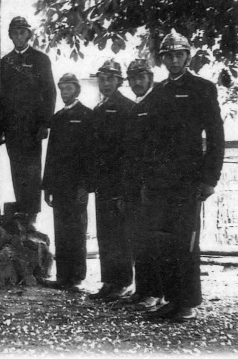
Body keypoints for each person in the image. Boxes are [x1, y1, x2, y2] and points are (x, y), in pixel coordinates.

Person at [144, 29, 224, 321]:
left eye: (180, 54)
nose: (175, 60)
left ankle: (187, 302)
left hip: (189, 179)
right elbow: (150, 137)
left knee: (186, 240)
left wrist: (210, 179)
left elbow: (216, 136)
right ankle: (171, 298)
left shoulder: (203, 88)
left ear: (188, 57)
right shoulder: (159, 91)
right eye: (169, 55)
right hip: (161, 180)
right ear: (163, 59)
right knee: (164, 239)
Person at [0, 16, 56, 229]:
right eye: (15, 33)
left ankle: (32, 213)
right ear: (10, 35)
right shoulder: (5, 62)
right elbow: (1, 97)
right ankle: (22, 208)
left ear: (29, 35)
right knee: (16, 168)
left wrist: (45, 123)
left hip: (33, 126)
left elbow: (50, 91)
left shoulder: (40, 59)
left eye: (22, 32)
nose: (19, 37)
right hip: (13, 125)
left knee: (32, 169)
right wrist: (0, 128)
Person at [89, 59, 135, 301]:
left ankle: (122, 282)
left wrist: (124, 186)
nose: (105, 84)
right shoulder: (98, 109)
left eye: (110, 79)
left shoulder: (127, 108)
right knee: (105, 232)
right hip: (102, 182)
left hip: (118, 181)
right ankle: (109, 281)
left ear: (119, 81)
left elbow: (127, 152)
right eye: (102, 79)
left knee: (119, 233)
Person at [42, 73, 93, 291]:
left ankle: (77, 276)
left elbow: (90, 154)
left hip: (77, 184)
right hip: (60, 185)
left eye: (68, 88)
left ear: (77, 90)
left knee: (77, 229)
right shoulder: (58, 117)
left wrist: (86, 185)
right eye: (61, 88)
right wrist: (47, 187)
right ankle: (63, 275)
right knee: (61, 229)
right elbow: (51, 154)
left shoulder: (87, 115)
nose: (64, 92)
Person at [120, 59, 165, 310]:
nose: (136, 82)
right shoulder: (135, 106)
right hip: (134, 183)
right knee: (138, 238)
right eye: (132, 78)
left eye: (141, 77)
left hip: (153, 183)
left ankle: (155, 293)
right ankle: (142, 289)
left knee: (152, 239)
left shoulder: (157, 102)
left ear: (150, 77)